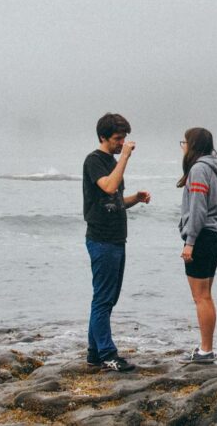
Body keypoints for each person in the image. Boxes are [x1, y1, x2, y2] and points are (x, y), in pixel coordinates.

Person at [83, 113, 151, 372]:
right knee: (103, 299)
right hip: (101, 240)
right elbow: (109, 187)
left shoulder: (111, 161)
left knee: (107, 298)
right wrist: (124, 157)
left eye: (124, 138)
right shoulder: (94, 161)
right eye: (117, 139)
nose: (122, 143)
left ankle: (94, 353)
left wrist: (135, 198)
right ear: (103, 137)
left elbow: (114, 200)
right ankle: (108, 354)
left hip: (116, 239)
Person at [177, 127, 217, 364]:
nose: (182, 147)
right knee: (206, 295)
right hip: (216, 235)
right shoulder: (215, 168)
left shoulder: (198, 169)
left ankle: (206, 350)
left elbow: (198, 208)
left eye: (184, 142)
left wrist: (190, 242)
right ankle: (207, 347)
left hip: (203, 237)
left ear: (192, 145)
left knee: (201, 297)